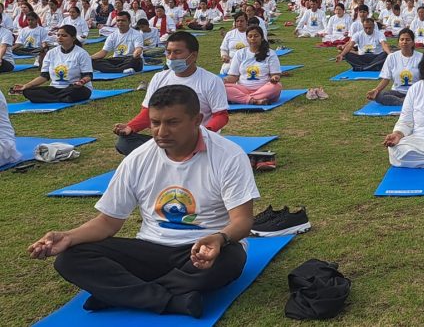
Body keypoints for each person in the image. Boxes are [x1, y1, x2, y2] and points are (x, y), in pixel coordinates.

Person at [29, 85, 258, 318]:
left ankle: (119, 293)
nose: (161, 131)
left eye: (172, 122)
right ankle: (170, 300)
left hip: (202, 249)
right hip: (150, 249)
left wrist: (219, 238)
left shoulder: (228, 155)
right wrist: (68, 236)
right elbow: (108, 222)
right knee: (70, 259)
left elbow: (242, 221)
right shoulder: (138, 159)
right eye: (155, 123)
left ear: (197, 120)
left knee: (230, 259)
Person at [112, 32, 229, 156]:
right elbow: (148, 112)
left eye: (177, 52)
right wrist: (131, 127)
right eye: (168, 52)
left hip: (196, 140)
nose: (171, 57)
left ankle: (170, 156)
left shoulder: (211, 81)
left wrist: (203, 133)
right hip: (166, 139)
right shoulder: (159, 78)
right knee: (124, 143)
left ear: (193, 55)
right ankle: (170, 157)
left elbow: (221, 115)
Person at [10, 25, 93, 103]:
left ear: (73, 38)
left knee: (75, 92)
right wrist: (27, 85)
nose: (60, 37)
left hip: (75, 88)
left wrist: (81, 82)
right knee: (28, 91)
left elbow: (88, 75)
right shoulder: (51, 53)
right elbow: (44, 76)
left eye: (64, 36)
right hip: (56, 88)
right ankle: (62, 98)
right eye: (58, 35)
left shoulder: (82, 53)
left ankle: (54, 98)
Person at [223, 25, 282, 106]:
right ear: (246, 38)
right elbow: (234, 76)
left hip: (264, 89)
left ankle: (242, 99)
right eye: (250, 36)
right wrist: (224, 80)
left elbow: (275, 75)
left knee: (277, 86)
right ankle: (255, 101)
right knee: (222, 87)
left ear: (261, 38)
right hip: (243, 89)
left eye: (256, 36)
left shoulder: (270, 53)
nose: (253, 38)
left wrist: (275, 78)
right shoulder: (240, 53)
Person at [366, 29, 422, 106]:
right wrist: (376, 90)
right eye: (402, 39)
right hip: (397, 92)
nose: (404, 42)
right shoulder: (392, 57)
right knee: (379, 95)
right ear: (398, 43)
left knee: (423, 97)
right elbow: (386, 79)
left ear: (413, 43)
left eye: (408, 39)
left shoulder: (421, 57)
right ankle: (405, 102)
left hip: (415, 92)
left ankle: (407, 101)